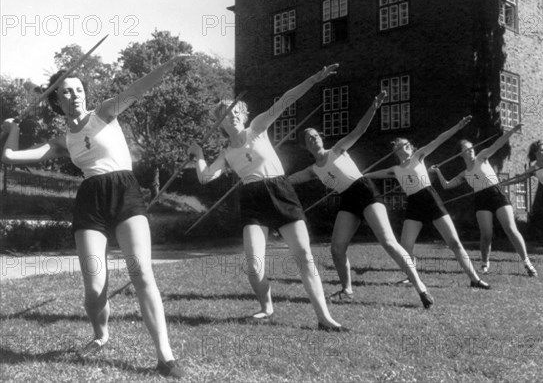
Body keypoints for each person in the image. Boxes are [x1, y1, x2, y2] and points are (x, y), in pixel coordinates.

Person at [2, 55, 187, 379]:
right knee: (94, 288)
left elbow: (135, 90)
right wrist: (12, 129)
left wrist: (165, 66)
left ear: (85, 93)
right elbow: (9, 157)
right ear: (57, 101)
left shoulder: (104, 112)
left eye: (77, 89)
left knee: (141, 273)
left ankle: (165, 357)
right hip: (91, 201)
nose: (73, 95)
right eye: (66, 93)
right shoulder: (63, 141)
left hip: (125, 191)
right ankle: (101, 335)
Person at [187, 65, 345, 331]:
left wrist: (314, 78)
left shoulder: (257, 128)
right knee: (253, 262)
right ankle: (266, 307)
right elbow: (205, 177)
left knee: (304, 255)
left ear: (244, 115)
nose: (234, 116)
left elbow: (286, 100)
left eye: (238, 111)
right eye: (228, 114)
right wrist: (199, 154)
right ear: (221, 123)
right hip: (252, 200)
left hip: (280, 191)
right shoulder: (227, 154)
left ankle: (323, 317)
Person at [288, 91, 434, 309]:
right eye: (308, 138)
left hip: (364, 190)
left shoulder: (337, 149)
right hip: (347, 199)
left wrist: (374, 107)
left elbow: (359, 130)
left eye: (315, 135)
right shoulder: (312, 170)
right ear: (305, 146)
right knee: (337, 248)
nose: (313, 138)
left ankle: (421, 287)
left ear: (321, 137)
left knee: (387, 241)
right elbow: (288, 180)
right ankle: (347, 291)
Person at [364, 116, 491, 289]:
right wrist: (359, 176)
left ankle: (474, 279)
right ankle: (411, 275)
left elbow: (439, 139)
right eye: (400, 145)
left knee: (454, 242)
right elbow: (373, 174)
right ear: (396, 151)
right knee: (405, 246)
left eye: (406, 144)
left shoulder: (418, 156)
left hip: (430, 199)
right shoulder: (394, 170)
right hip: (414, 204)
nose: (405, 147)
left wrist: (457, 126)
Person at [431, 124, 538, 277]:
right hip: (481, 198)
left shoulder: (482, 157)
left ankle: (527, 263)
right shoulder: (464, 173)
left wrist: (512, 131)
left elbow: (497, 144)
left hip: (496, 193)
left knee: (511, 230)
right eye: (467, 149)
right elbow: (447, 185)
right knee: (486, 234)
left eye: (471, 148)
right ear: (461, 154)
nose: (471, 150)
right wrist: (438, 172)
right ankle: (484, 264)